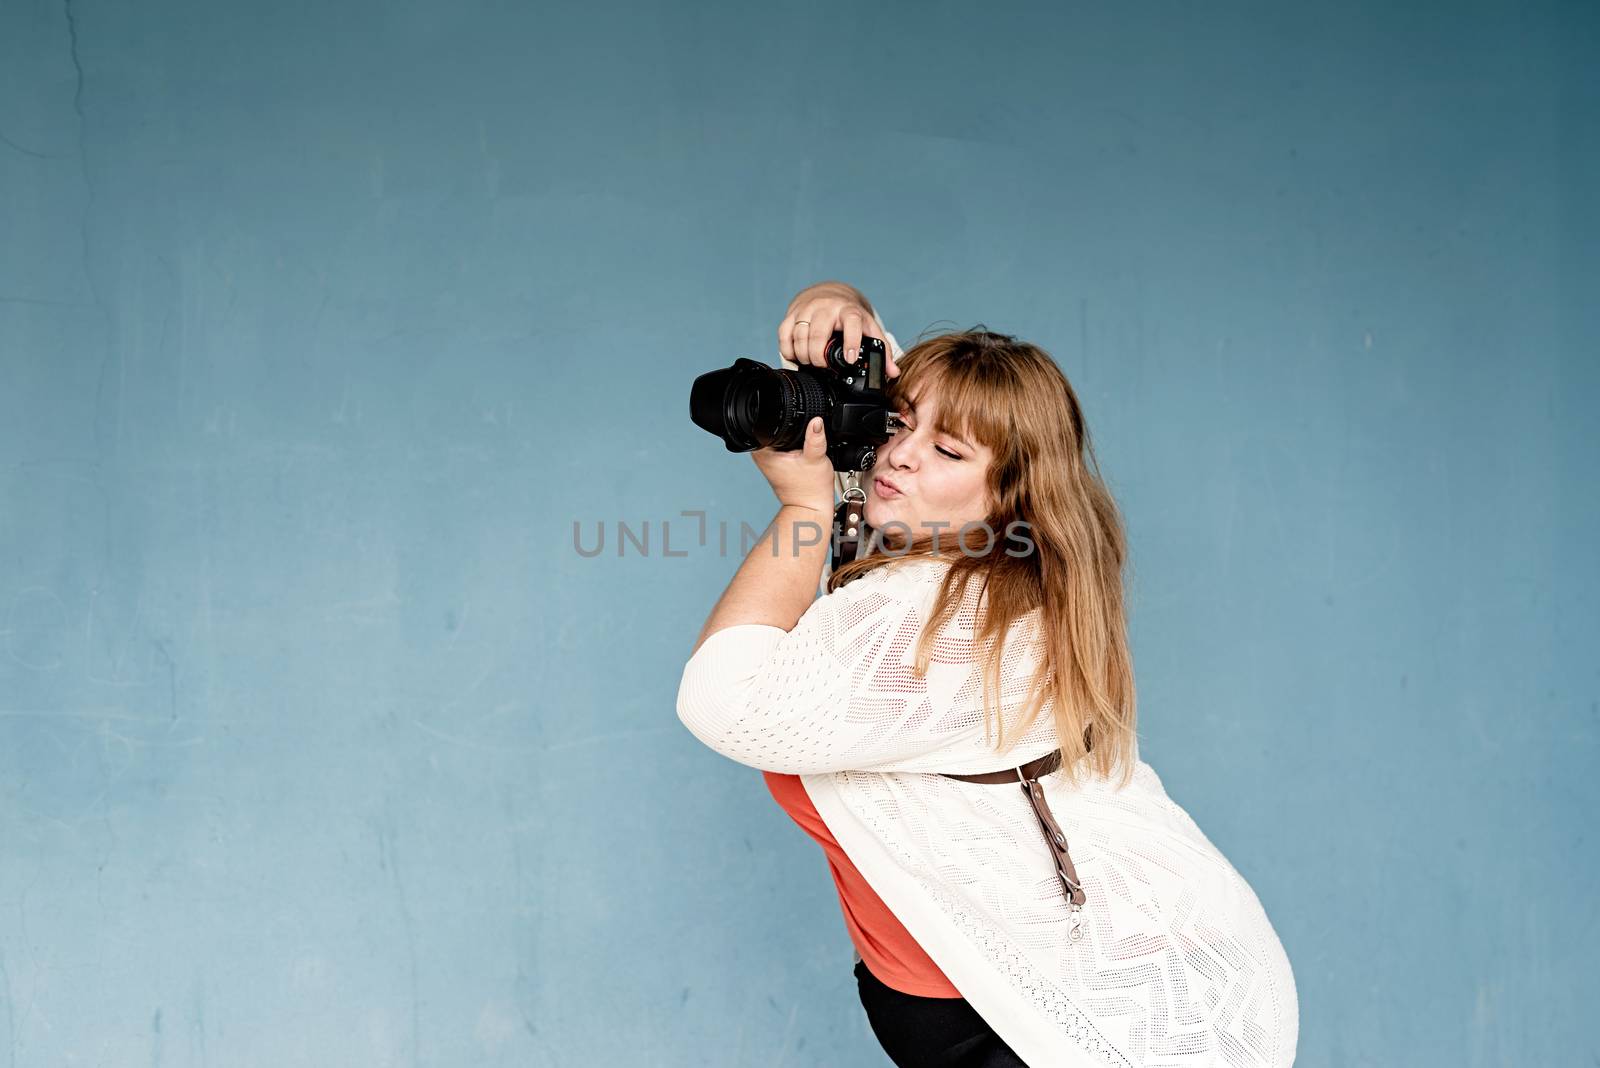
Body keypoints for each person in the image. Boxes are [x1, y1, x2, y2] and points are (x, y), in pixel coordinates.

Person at [676, 280, 1299, 1067]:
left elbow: (721, 695)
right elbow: (882, 495)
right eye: (898, 423)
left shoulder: (946, 617)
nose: (900, 452)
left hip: (1090, 1024)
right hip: (1040, 1008)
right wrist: (847, 310)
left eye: (946, 451)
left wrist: (802, 508)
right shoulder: (977, 573)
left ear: (1010, 497)